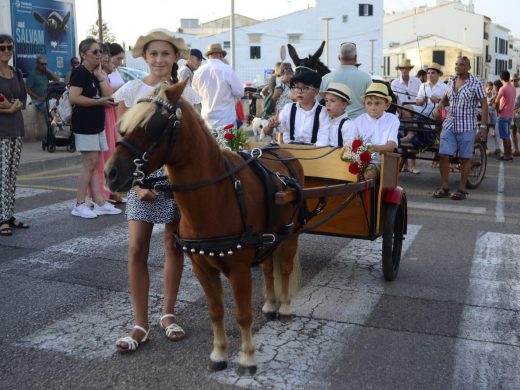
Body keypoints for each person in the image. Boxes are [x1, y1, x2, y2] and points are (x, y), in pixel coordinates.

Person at [113, 28, 188, 351]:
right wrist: (139, 184)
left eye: (165, 54)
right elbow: (125, 144)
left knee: (173, 245)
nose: (159, 60)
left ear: (175, 58)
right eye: (153, 54)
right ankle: (140, 323)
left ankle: (168, 314)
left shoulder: (187, 93)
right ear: (144, 58)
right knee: (136, 249)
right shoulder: (130, 91)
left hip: (175, 181)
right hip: (141, 180)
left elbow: (190, 143)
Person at [68, 38, 121, 218]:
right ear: (83, 55)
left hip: (96, 125)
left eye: (100, 51)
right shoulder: (80, 73)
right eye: (95, 52)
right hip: (85, 125)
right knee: (89, 164)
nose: (99, 55)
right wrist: (97, 102)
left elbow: (109, 97)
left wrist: (101, 78)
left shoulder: (94, 73)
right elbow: (74, 97)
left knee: (96, 163)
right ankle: (79, 204)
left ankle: (99, 202)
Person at [432, 56, 488, 201]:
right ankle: (444, 187)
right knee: (443, 155)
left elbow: (484, 104)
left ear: (469, 67)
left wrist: (483, 126)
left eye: (462, 65)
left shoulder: (476, 83)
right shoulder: (451, 80)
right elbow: (445, 99)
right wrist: (440, 110)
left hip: (467, 126)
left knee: (465, 158)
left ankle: (462, 189)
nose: (458, 67)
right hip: (449, 124)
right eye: (456, 64)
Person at [0, 34, 29, 236]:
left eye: (9, 47)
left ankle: (9, 214)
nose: (6, 51)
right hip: (1, 129)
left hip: (17, 128)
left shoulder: (16, 72)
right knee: (2, 175)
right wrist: (8, 109)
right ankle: (2, 219)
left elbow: (23, 97)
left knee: (11, 174)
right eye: (1, 48)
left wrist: (15, 106)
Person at [88, 43, 124, 204]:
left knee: (111, 154)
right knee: (104, 156)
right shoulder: (98, 73)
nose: (111, 63)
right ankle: (102, 194)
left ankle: (110, 192)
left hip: (112, 114)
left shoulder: (106, 72)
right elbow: (109, 94)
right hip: (104, 114)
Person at [263, 70, 330, 146]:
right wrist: (270, 126)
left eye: (305, 88)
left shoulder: (323, 112)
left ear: (316, 92)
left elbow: (323, 140)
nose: (300, 92)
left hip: (314, 153)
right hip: (289, 153)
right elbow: (266, 132)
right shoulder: (288, 109)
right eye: (297, 88)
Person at [348, 82, 400, 180]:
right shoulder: (358, 120)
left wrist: (371, 148)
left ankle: (368, 194)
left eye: (377, 103)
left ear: (387, 105)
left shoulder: (392, 119)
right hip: (359, 159)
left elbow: (391, 146)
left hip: (380, 161)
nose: (373, 107)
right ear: (364, 104)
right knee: (345, 173)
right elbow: (352, 145)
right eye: (369, 103)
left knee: (368, 174)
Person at [192, 43, 243, 136]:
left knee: (208, 150)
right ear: (221, 55)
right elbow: (240, 92)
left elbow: (194, 96)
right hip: (226, 121)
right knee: (228, 149)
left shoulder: (198, 72)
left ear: (208, 56)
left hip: (206, 122)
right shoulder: (227, 70)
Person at [319, 42, 372, 119]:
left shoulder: (326, 78)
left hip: (335, 124)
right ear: (356, 57)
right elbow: (371, 102)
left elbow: (317, 103)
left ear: (339, 57)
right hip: (360, 123)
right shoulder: (366, 78)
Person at [391, 58, 422, 173]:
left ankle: (412, 165)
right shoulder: (394, 83)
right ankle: (405, 166)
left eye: (407, 68)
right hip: (400, 113)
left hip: (416, 113)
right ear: (400, 70)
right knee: (402, 141)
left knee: (413, 141)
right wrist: (402, 113)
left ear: (409, 69)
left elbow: (420, 98)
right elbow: (394, 102)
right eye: (403, 68)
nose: (405, 70)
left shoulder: (417, 82)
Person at [324, 82, 357, 147]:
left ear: (343, 105)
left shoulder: (348, 125)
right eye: (326, 100)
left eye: (332, 101)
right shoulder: (325, 120)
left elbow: (349, 150)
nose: (328, 104)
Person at [493, 70, 516, 161]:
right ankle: (509, 154)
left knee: (504, 136)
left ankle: (507, 155)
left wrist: (497, 109)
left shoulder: (503, 88)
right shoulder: (513, 88)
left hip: (503, 115)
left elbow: (496, 101)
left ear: (501, 78)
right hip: (510, 115)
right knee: (507, 135)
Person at [485, 81, 500, 156]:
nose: (490, 91)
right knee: (486, 131)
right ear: (485, 88)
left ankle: (498, 148)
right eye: (488, 89)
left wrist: (494, 104)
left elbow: (495, 103)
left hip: (493, 114)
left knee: (496, 131)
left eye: (491, 89)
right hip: (486, 114)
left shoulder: (494, 94)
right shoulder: (483, 95)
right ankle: (485, 148)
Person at [510, 75, 520, 156]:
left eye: (515, 80)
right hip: (511, 114)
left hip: (518, 114)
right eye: (512, 80)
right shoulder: (509, 89)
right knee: (513, 132)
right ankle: (516, 150)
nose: (513, 82)